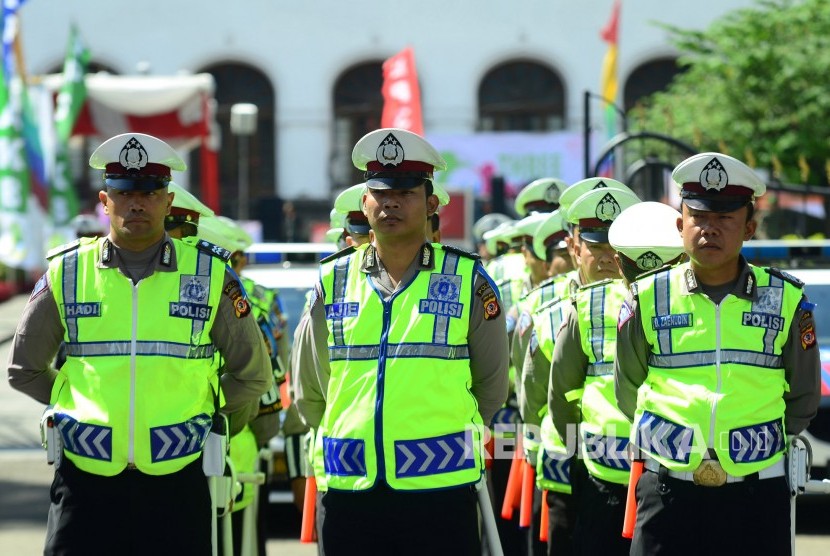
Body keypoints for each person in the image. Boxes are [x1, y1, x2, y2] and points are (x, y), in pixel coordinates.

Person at [6, 132, 271, 556]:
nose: (136, 203)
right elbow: (24, 369)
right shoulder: (66, 272)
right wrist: (78, 410)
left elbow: (251, 372)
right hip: (84, 479)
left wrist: (200, 413)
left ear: (168, 202)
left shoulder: (210, 274)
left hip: (177, 478)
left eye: (149, 193)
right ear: (104, 200)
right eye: (124, 192)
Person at [294, 127, 509, 555]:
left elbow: (492, 386)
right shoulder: (333, 278)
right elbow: (310, 387)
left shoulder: (467, 279)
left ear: (431, 204)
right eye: (380, 191)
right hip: (349, 489)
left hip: (440, 490)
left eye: (406, 192)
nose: (391, 201)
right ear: (364, 202)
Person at [614, 152, 822, 556]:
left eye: (724, 219)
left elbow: (803, 397)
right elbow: (628, 387)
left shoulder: (787, 300)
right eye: (699, 217)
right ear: (680, 225)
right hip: (667, 491)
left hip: (755, 496)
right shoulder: (647, 296)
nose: (710, 229)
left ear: (749, 227)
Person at [548, 185, 640, 555]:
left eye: (616, 248)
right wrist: (581, 447)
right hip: (592, 470)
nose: (608, 258)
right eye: (596, 246)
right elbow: (555, 394)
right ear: (576, 247)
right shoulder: (566, 308)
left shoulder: (658, 298)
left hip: (662, 469)